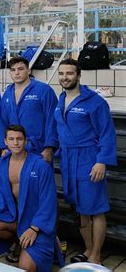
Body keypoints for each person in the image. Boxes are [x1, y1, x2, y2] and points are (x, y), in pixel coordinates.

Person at [54, 58, 117, 265]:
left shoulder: (94, 102)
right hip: (68, 160)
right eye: (62, 73)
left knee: (95, 209)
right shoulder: (60, 100)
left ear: (78, 75)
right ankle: (88, 249)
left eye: (69, 73)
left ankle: (96, 256)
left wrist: (102, 161)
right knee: (79, 209)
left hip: (89, 159)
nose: (65, 77)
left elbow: (107, 133)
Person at [0, 125, 58, 272]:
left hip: (36, 222)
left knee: (26, 267)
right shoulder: (3, 163)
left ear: (25, 141)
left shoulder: (40, 165)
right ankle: (19, 241)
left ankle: (48, 242)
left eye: (19, 139)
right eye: (11, 139)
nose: (15, 143)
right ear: (5, 141)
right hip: (14, 217)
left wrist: (34, 229)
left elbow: (49, 202)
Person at [0, 57, 58, 161]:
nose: (16, 73)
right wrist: (2, 147)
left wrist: (49, 148)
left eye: (20, 69)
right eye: (13, 70)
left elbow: (52, 120)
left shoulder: (44, 90)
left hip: (38, 149)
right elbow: (1, 121)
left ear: (28, 70)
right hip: (13, 148)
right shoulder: (7, 93)